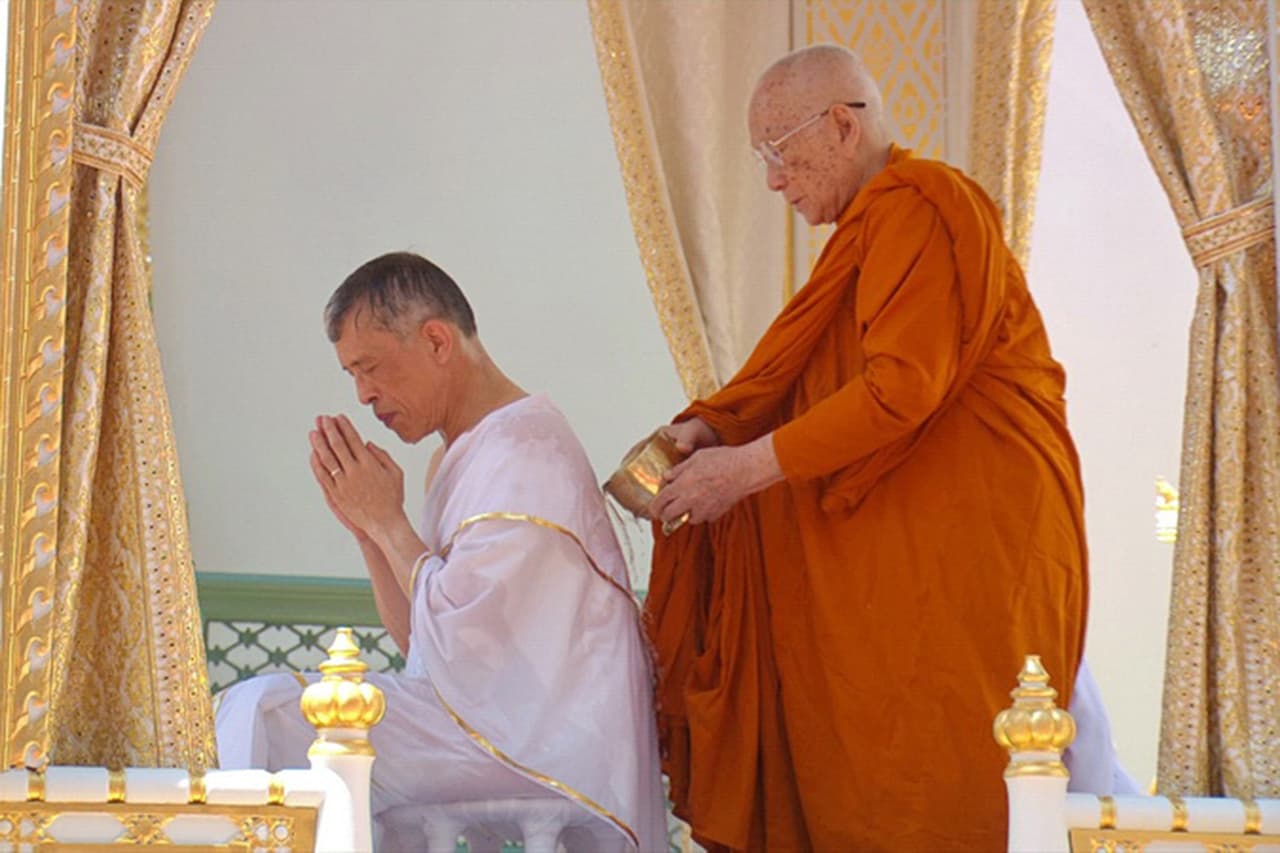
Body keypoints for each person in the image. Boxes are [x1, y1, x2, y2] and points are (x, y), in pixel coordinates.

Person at [641, 45, 1089, 850]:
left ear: (843, 127)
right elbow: (817, 380)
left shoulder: (921, 206)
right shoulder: (871, 232)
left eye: (779, 152)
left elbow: (900, 388)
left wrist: (742, 469)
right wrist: (725, 421)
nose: (773, 180)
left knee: (945, 781)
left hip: (971, 557)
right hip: (905, 568)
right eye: (761, 160)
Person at [215, 252, 665, 852]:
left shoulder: (524, 450)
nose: (364, 394)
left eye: (370, 367)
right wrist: (370, 534)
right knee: (271, 712)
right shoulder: (466, 452)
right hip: (487, 720)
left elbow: (461, 641)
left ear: (435, 340)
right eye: (352, 375)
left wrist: (389, 521)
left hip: (541, 739)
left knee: (268, 713)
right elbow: (423, 646)